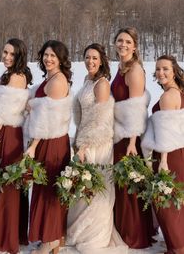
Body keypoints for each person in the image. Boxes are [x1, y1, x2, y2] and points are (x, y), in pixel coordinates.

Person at [66, 43, 128, 254]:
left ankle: (94, 235)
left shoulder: (102, 84)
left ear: (101, 61)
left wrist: (84, 145)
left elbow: (100, 121)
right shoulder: (87, 80)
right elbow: (83, 116)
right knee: (83, 186)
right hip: (83, 139)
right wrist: (77, 142)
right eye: (87, 57)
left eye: (94, 58)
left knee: (95, 186)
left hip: (97, 143)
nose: (90, 61)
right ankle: (80, 230)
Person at [0, 38, 32, 254]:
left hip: (7, 134)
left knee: (6, 183)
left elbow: (2, 115)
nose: (7, 57)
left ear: (19, 56)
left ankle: (4, 236)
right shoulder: (7, 76)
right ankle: (9, 233)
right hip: (8, 132)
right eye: (4, 52)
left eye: (12, 54)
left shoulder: (17, 77)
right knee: (5, 182)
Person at [24, 40, 72, 254]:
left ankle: (50, 240)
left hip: (51, 141)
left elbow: (47, 119)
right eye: (45, 55)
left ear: (61, 59)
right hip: (49, 139)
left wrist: (33, 146)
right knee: (46, 187)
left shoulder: (57, 81)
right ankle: (52, 237)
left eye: (53, 55)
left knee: (49, 189)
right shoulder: (51, 78)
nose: (48, 59)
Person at [111, 27, 154, 248]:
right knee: (121, 184)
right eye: (120, 40)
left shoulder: (135, 70)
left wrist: (131, 143)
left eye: (128, 41)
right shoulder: (120, 67)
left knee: (129, 183)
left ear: (135, 46)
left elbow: (137, 110)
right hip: (119, 134)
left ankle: (133, 234)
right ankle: (122, 227)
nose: (123, 45)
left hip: (130, 138)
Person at [142, 55, 184, 254]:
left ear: (174, 71)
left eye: (165, 69)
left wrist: (163, 162)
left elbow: (166, 131)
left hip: (169, 154)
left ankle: (177, 248)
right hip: (177, 151)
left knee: (167, 202)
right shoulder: (178, 92)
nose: (161, 73)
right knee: (175, 201)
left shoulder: (169, 96)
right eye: (158, 69)